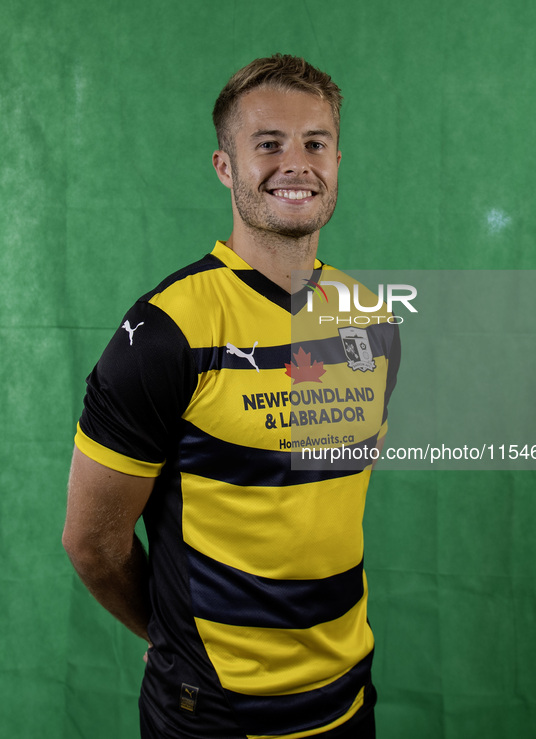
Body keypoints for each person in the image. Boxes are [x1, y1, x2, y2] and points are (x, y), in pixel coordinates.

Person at [62, 54, 400, 739]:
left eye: (315, 142)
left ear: (338, 159)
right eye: (268, 144)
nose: (296, 163)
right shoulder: (165, 331)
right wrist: (176, 644)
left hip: (346, 698)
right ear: (225, 166)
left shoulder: (372, 319)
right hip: (212, 714)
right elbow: (92, 543)